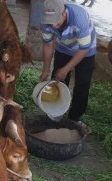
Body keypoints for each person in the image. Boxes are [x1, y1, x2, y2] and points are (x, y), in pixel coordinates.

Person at [39, 0, 96, 132]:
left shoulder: (79, 17)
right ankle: (56, 112)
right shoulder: (46, 22)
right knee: (58, 79)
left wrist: (66, 69)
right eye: (50, 22)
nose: (53, 25)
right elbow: (48, 45)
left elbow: (83, 49)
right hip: (63, 48)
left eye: (56, 21)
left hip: (86, 52)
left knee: (82, 84)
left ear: (64, 13)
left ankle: (75, 118)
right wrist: (45, 70)